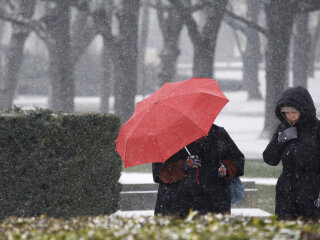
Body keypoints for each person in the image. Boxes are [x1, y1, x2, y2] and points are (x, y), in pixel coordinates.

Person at [152, 124, 245, 217]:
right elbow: (161, 172)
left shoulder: (217, 134)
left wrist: (226, 168)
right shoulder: (169, 137)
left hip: (215, 203)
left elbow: (237, 159)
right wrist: (184, 165)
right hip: (178, 206)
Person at [263, 86, 320, 220]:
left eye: (294, 111)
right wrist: (280, 140)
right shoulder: (284, 128)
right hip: (286, 194)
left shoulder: (317, 130)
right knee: (285, 232)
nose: (290, 116)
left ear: (303, 110)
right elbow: (270, 159)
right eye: (286, 112)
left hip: (312, 193)